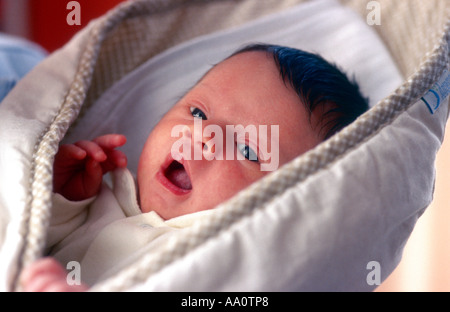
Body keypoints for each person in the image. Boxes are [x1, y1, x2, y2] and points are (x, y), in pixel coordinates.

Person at [20, 43, 369, 291]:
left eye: (247, 148)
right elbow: (25, 238)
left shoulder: (221, 262)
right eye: (198, 113)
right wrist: (62, 198)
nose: (202, 135)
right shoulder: (107, 200)